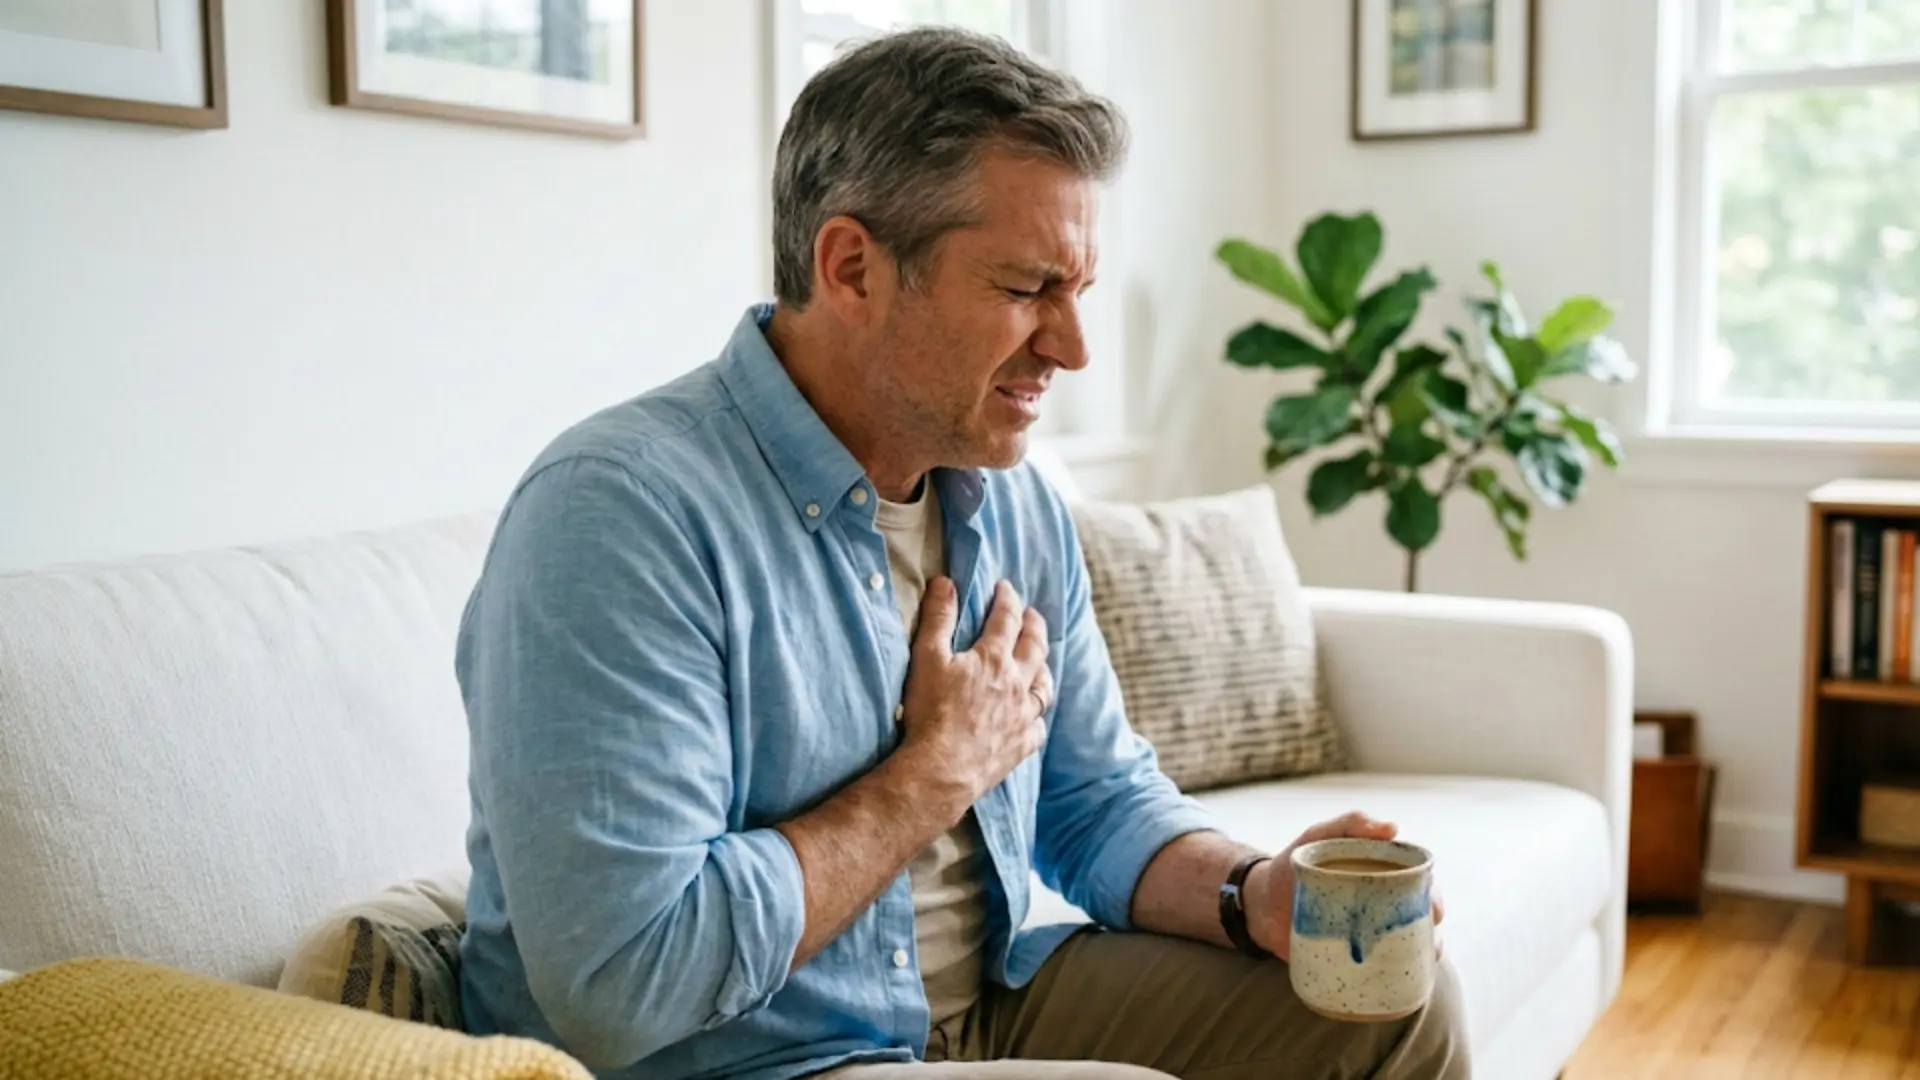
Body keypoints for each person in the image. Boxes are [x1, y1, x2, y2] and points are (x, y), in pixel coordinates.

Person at [453, 25, 1468, 1080]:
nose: (1073, 347)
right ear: (852, 268)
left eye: (1077, 292)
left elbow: (1093, 800)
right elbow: (626, 979)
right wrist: (934, 773)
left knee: (1392, 1009)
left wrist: (1249, 891)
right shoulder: (618, 516)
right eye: (1027, 289)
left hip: (979, 1009)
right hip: (752, 1061)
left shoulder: (1014, 503)